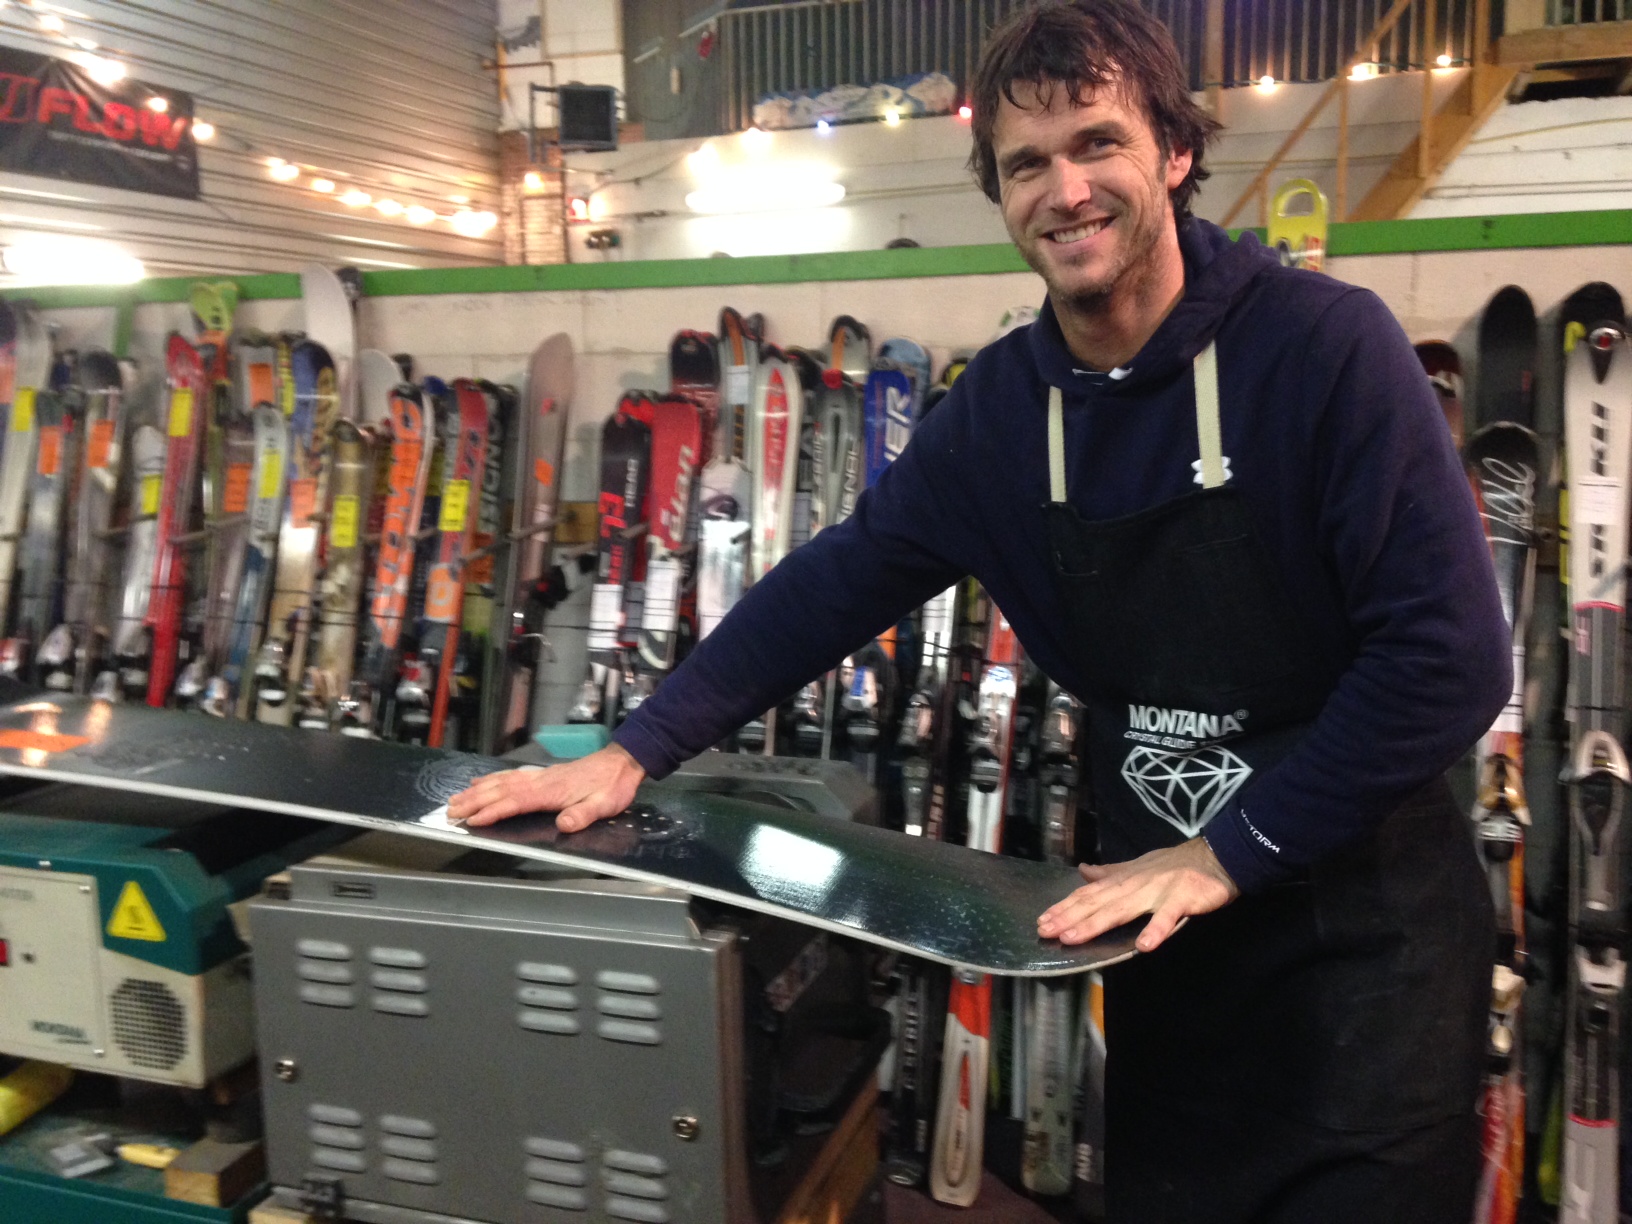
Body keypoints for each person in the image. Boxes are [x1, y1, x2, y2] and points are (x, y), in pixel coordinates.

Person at [450, 2, 1509, 1218]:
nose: (1067, 190)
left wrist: (1228, 852)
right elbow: (837, 582)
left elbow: (1450, 661)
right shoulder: (1003, 412)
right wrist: (635, 748)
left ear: (1174, 152)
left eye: (1099, 143)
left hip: (1365, 954)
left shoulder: (1324, 351)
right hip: (1161, 947)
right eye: (1026, 164)